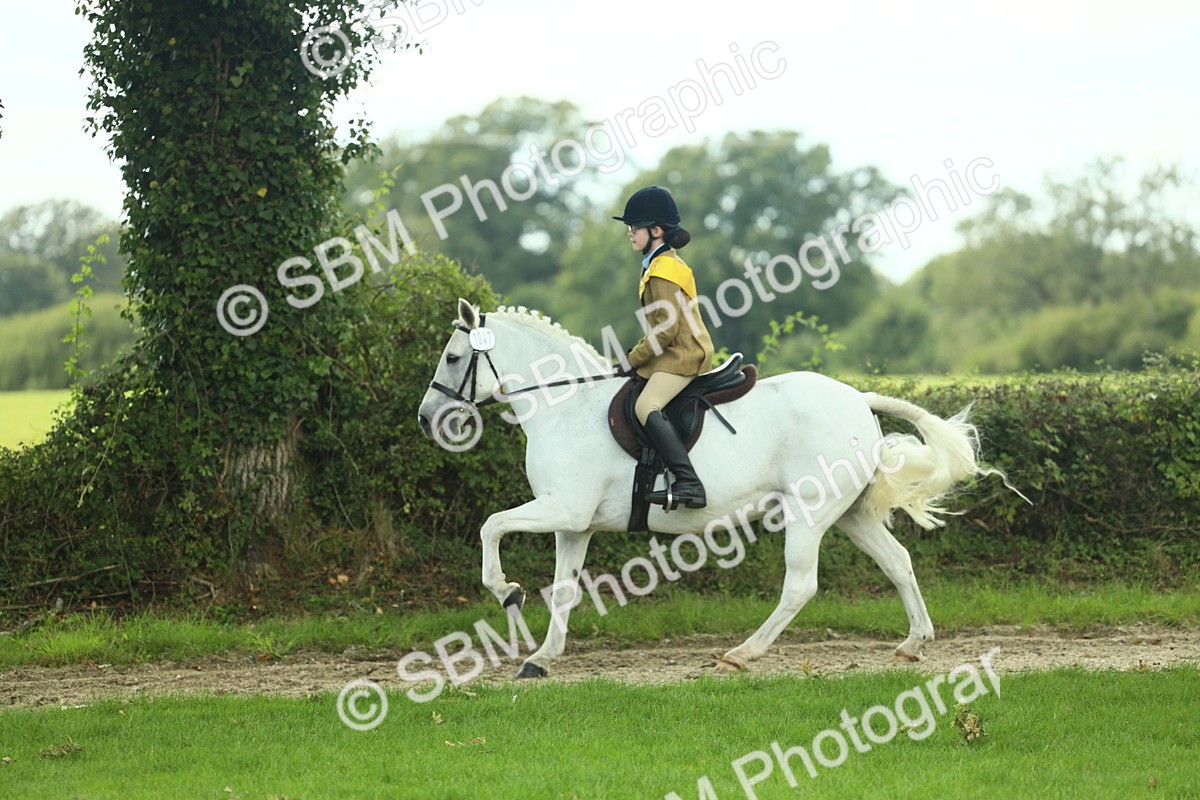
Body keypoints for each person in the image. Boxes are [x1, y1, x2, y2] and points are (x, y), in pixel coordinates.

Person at [613, 186, 715, 510]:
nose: (629, 233)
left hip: (683, 354)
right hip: (671, 351)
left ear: (656, 231)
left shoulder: (664, 269)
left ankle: (689, 483)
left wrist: (631, 358)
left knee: (646, 406)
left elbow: (667, 330)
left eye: (634, 227)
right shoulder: (657, 263)